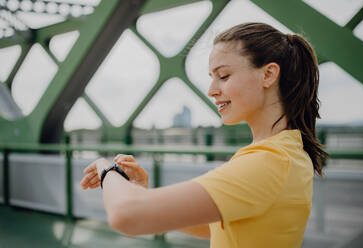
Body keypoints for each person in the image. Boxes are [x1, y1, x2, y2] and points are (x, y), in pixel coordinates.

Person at [80, 22, 328, 247]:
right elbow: (209, 227)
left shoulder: (270, 161)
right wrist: (144, 195)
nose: (211, 90)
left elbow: (127, 216)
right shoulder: (286, 150)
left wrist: (107, 169)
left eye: (224, 76)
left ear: (269, 74)